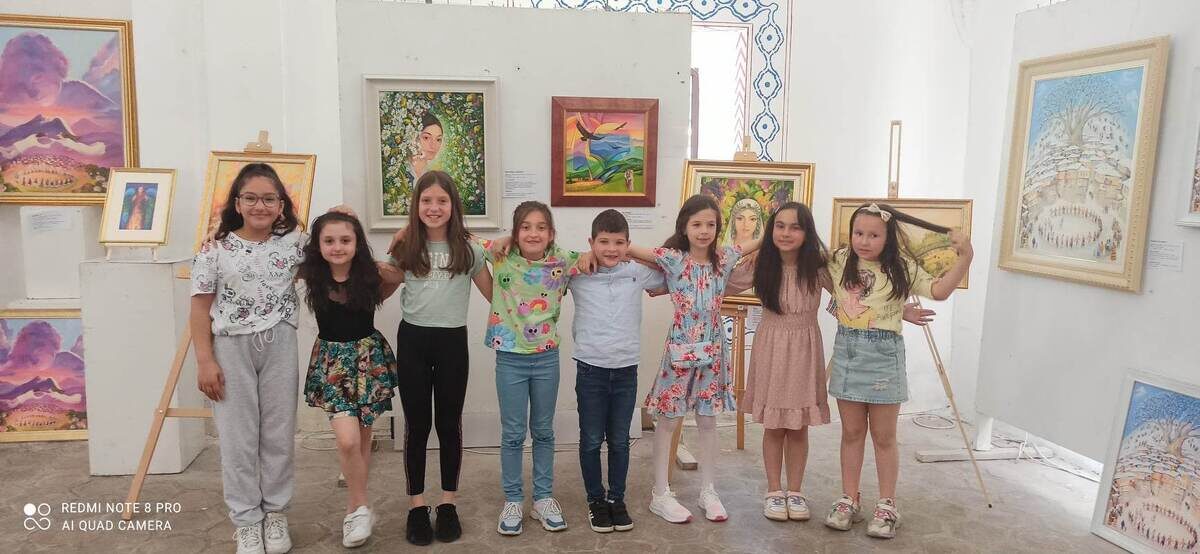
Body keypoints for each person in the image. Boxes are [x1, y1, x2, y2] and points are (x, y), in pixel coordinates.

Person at [823, 202, 972, 539]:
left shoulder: (902, 267)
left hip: (884, 357)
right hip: (847, 354)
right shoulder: (840, 260)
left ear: (888, 237)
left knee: (884, 436)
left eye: (874, 235)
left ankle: (887, 504)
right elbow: (843, 296)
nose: (864, 241)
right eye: (858, 233)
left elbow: (939, 291)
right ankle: (849, 498)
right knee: (851, 433)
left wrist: (966, 258)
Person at [191, 163, 305, 554]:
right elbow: (199, 309)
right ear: (237, 203)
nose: (260, 206)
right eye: (251, 198)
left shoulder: (294, 243)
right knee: (237, 439)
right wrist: (205, 360)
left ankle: (275, 514)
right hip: (231, 348)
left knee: (278, 434)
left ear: (281, 204)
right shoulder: (214, 250)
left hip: (279, 344)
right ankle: (246, 522)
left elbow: (337, 244)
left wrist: (346, 214)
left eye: (269, 198)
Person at [625, 195, 760, 524]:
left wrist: (778, 233)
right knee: (668, 420)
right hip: (680, 351)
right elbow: (629, 248)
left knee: (708, 420)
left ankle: (708, 491)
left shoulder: (723, 258)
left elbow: (753, 244)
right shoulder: (673, 259)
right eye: (697, 224)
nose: (704, 231)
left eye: (711, 224)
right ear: (684, 227)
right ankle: (660, 493)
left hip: (712, 353)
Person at [383, 170, 493, 546]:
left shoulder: (469, 250)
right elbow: (379, 288)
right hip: (413, 340)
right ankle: (417, 506)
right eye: (426, 200)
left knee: (448, 424)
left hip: (451, 343)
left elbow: (496, 296)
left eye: (441, 201)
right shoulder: (406, 247)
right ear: (416, 205)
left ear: (453, 206)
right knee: (417, 426)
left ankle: (447, 504)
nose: (434, 207)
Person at [297, 212, 400, 548]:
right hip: (333, 364)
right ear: (317, 245)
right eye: (329, 240)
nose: (337, 247)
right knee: (347, 441)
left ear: (357, 243)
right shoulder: (311, 273)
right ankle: (359, 507)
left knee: (362, 438)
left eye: (345, 240)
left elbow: (398, 274)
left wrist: (389, 254)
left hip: (367, 360)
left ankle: (356, 508)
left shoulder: (369, 275)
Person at [566, 209, 665, 533]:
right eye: (604, 242)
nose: (611, 249)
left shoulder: (636, 272)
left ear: (628, 244)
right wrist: (580, 257)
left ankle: (616, 499)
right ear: (591, 242)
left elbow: (672, 268)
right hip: (590, 370)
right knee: (591, 440)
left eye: (619, 243)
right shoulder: (578, 272)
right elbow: (548, 266)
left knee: (620, 440)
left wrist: (635, 254)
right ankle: (596, 500)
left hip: (625, 370)